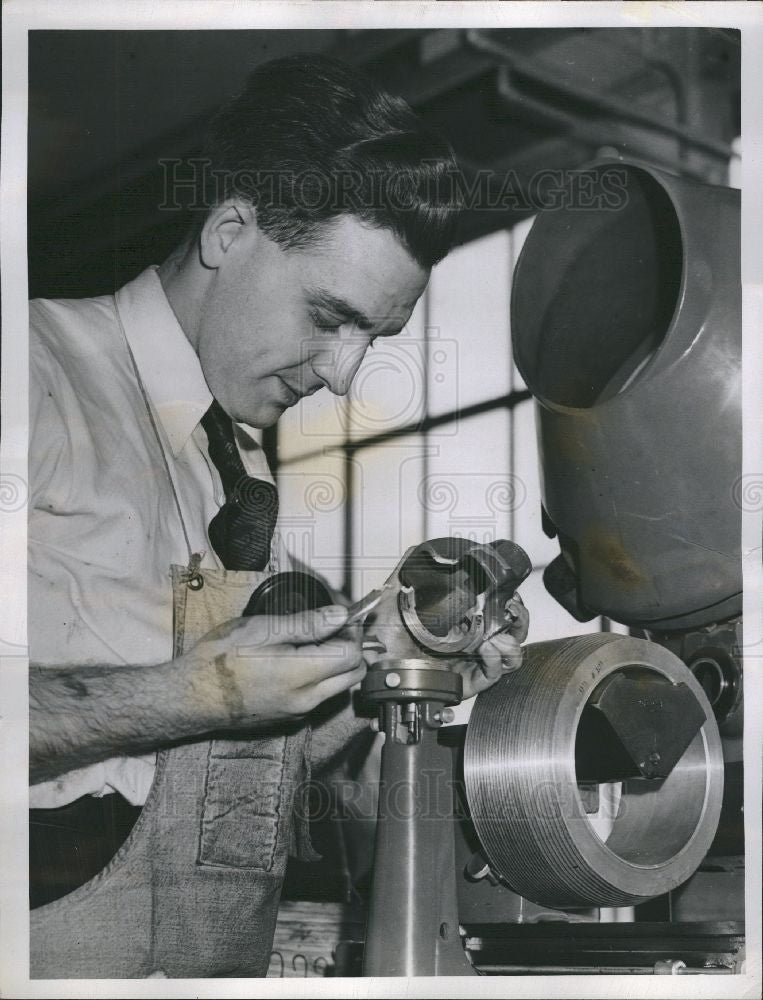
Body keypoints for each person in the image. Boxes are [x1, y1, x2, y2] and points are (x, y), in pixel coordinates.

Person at [28, 54, 529, 978]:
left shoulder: (236, 467)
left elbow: (316, 773)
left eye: (371, 337)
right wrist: (196, 693)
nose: (342, 373)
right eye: (327, 316)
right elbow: (199, 691)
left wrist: (418, 673)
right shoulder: (36, 374)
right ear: (231, 231)